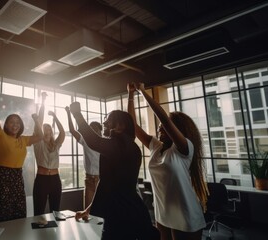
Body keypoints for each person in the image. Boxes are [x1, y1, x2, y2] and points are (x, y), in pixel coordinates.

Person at [127, 82, 208, 240]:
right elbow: (133, 127)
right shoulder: (156, 147)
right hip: (163, 214)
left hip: (186, 215)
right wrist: (130, 94)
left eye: (163, 127)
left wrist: (143, 91)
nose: (159, 128)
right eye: (159, 127)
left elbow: (165, 120)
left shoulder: (184, 149)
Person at [70, 102, 159, 240]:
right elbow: (108, 185)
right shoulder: (130, 146)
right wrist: (88, 210)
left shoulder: (119, 144)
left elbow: (93, 141)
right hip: (129, 209)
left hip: (120, 213)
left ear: (121, 126)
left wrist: (77, 114)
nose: (104, 122)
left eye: (109, 119)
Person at [0, 94, 43, 224]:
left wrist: (36, 120)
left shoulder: (23, 139)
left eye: (18, 122)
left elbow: (40, 136)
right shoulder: (0, 136)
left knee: (17, 212)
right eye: (12, 122)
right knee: (0, 213)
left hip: (17, 178)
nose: (15, 125)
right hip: (2, 177)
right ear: (6, 125)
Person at [32, 92, 65, 216]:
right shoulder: (38, 142)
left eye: (49, 130)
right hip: (42, 180)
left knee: (56, 212)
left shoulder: (56, 145)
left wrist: (55, 117)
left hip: (55, 180)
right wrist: (43, 101)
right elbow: (39, 122)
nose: (47, 132)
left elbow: (62, 132)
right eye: (45, 130)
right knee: (39, 213)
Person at [65, 106, 102, 209]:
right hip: (89, 179)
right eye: (91, 130)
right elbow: (72, 130)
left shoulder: (105, 143)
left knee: (103, 211)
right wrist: (68, 113)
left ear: (100, 131)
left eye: (95, 130)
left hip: (102, 180)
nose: (93, 132)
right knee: (87, 212)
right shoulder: (85, 141)